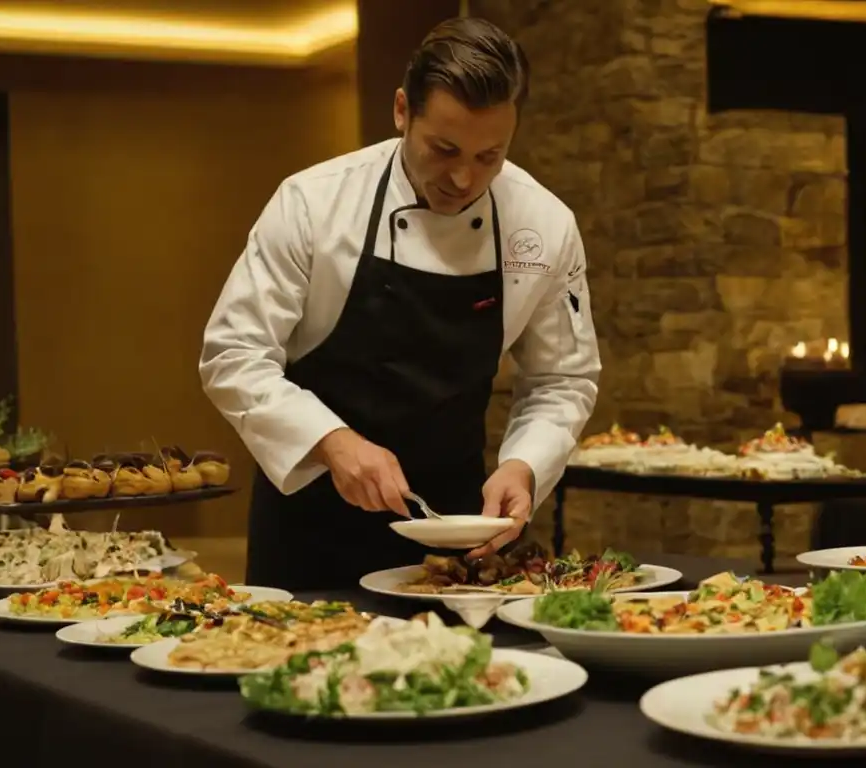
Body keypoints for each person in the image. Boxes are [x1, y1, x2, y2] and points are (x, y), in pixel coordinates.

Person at [199, 17, 600, 591]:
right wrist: (333, 442)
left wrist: (524, 467)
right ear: (400, 112)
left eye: (491, 156)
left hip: (455, 528)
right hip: (310, 522)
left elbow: (564, 377)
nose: (464, 177)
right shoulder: (313, 203)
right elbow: (233, 354)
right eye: (444, 149)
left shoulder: (545, 224)